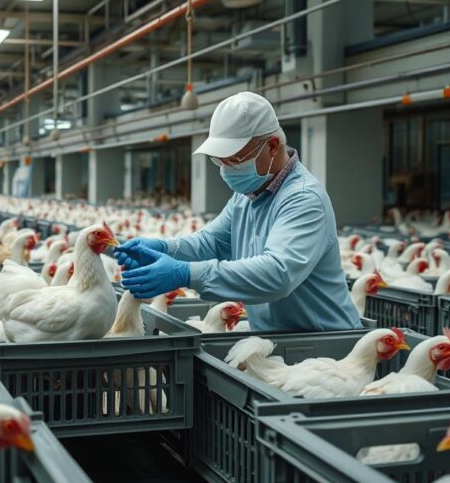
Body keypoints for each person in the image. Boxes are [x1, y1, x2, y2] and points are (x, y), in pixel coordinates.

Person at [115, 92, 361, 332]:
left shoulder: (303, 198)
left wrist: (185, 273)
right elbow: (211, 242)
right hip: (277, 340)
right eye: (220, 160)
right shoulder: (247, 196)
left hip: (326, 345)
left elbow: (278, 273)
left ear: (272, 146)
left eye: (235, 159)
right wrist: (164, 249)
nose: (225, 169)